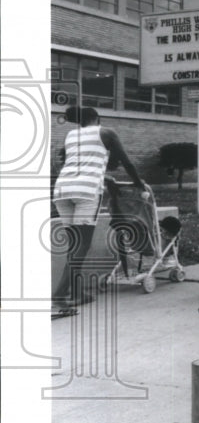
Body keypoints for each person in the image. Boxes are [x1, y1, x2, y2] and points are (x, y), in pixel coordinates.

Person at [52, 106, 144, 316]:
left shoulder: (71, 134)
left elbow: (79, 163)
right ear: (97, 118)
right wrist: (138, 183)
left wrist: (104, 177)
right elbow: (126, 162)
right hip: (86, 192)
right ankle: (59, 296)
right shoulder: (106, 132)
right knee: (82, 245)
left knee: (74, 244)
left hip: (62, 189)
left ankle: (77, 292)